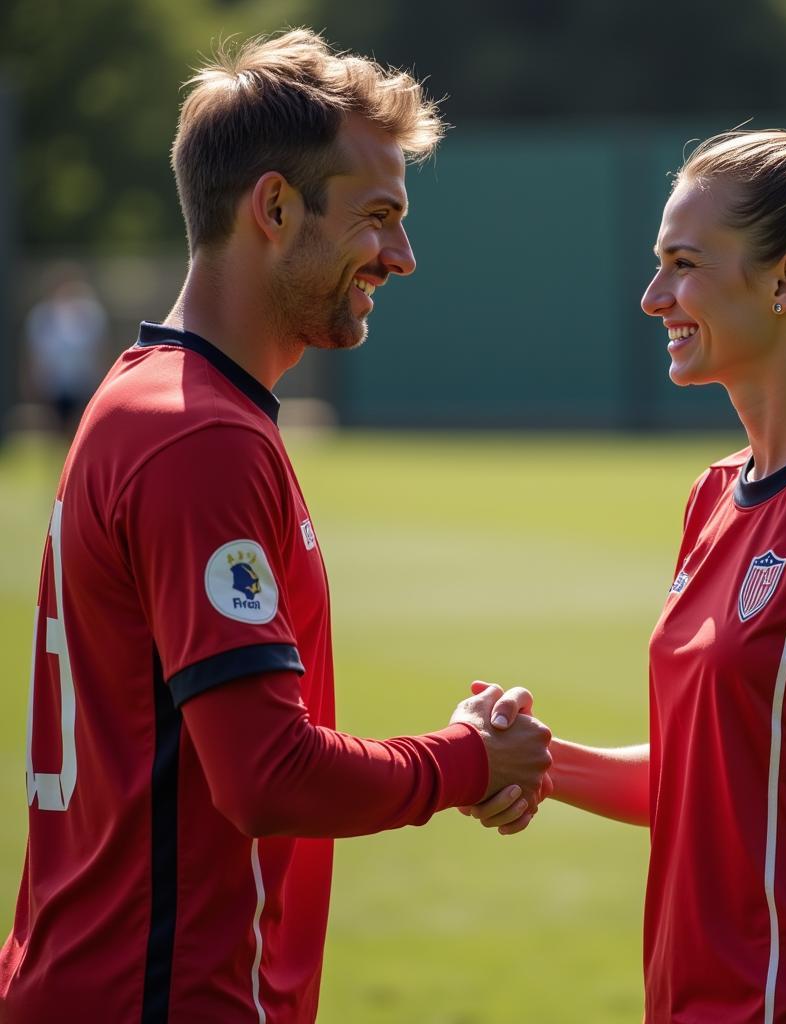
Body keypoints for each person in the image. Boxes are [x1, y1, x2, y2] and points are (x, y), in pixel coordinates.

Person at [0, 29, 551, 1024]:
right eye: (378, 217)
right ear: (275, 207)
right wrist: (468, 761)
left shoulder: (155, 403)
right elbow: (266, 775)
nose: (403, 256)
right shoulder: (198, 437)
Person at [469, 126, 786, 1023]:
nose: (651, 297)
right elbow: (705, 779)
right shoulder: (715, 494)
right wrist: (528, 761)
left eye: (683, 264)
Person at [23, 262, 108, 437]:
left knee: (80, 426)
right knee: (56, 428)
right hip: (53, 383)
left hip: (82, 381)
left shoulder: (89, 313)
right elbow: (35, 352)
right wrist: (33, 380)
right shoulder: (42, 316)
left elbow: (99, 348)